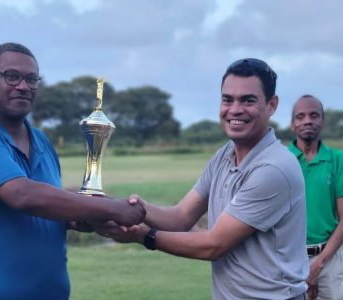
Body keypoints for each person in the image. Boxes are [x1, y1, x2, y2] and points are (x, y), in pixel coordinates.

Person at [0, 42, 145, 300]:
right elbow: (22, 195)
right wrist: (113, 208)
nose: (23, 86)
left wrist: (81, 217)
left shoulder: (41, 142)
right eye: (12, 76)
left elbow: (46, 204)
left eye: (31, 79)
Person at [98, 58, 309, 299]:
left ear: (272, 105)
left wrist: (142, 235)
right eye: (227, 99)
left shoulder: (274, 167)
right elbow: (181, 218)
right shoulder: (224, 154)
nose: (235, 109)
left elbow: (213, 245)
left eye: (248, 100)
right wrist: (134, 208)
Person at [289, 95, 343, 300]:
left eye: (314, 115)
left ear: (322, 121)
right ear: (292, 124)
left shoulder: (338, 160)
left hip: (329, 258)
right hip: (290, 260)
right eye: (300, 117)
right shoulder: (282, 160)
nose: (307, 121)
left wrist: (318, 264)